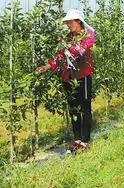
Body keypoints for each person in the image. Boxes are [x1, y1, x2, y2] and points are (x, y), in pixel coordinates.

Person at [36, 9, 95, 151]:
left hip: (83, 76)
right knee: (73, 109)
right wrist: (48, 66)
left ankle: (85, 140)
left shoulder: (88, 35)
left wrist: (65, 43)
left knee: (84, 108)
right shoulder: (67, 38)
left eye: (70, 22)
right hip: (68, 77)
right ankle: (77, 138)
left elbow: (80, 51)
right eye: (67, 22)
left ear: (78, 21)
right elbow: (60, 57)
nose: (68, 25)